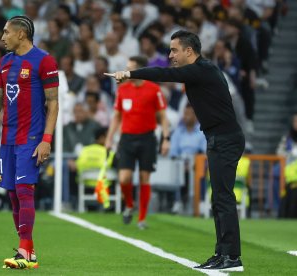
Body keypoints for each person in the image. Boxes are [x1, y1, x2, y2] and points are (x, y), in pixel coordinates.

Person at [105, 30, 245, 271]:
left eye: (174, 50)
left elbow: (164, 74)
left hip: (225, 139)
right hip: (218, 137)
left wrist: (130, 73)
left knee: (223, 198)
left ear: (189, 51)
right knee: (218, 199)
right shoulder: (199, 72)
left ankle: (232, 257)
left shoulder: (202, 69)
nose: (170, 55)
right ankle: (222, 253)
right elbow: (167, 72)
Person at [0, 16, 59, 270]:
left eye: (6, 32)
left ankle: (24, 251)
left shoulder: (45, 60)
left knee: (24, 190)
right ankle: (28, 252)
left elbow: (53, 104)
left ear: (21, 34)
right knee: (12, 194)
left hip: (31, 138)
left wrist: (46, 140)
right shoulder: (4, 63)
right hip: (7, 138)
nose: (2, 37)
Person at [105, 56, 170, 230]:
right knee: (124, 177)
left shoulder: (154, 89)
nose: (126, 71)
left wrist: (166, 138)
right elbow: (116, 117)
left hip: (147, 138)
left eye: (130, 68)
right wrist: (109, 139)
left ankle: (141, 218)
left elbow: (163, 117)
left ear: (139, 70)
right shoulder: (123, 90)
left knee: (144, 178)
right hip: (127, 138)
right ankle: (129, 204)